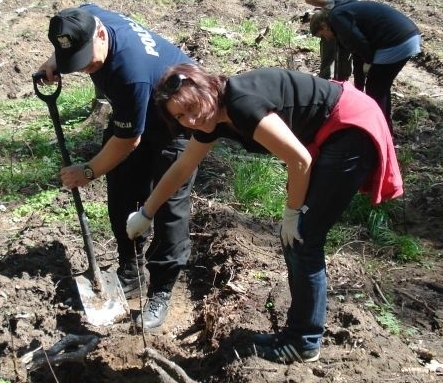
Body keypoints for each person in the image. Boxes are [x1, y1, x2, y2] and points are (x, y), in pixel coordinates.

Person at [126, 64, 403, 363]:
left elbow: (300, 160)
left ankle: (304, 341)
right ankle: (296, 333)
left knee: (303, 238)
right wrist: (146, 212)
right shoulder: (214, 117)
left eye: (192, 107)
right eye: (180, 116)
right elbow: (182, 166)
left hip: (349, 127)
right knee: (298, 240)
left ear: (207, 90)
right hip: (333, 130)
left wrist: (292, 212)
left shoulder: (241, 104)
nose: (190, 120)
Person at [38, 4, 196, 330]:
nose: (85, 68)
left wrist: (89, 171)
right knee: (123, 189)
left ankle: (161, 290)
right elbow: (74, 25)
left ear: (99, 33)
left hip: (181, 116)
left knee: (168, 206)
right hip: (139, 107)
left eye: (86, 59)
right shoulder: (86, 19)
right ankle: (131, 269)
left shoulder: (129, 70)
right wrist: (58, 60)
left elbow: (127, 141)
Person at [309, 0, 422, 133]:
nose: (326, 39)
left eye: (322, 35)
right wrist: (358, 89)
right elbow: (357, 54)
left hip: (396, 40)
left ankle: (378, 131)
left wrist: (368, 61)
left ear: (324, 25)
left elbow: (360, 44)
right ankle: (385, 129)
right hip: (407, 35)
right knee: (380, 87)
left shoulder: (337, 18)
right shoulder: (340, 15)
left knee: (375, 89)